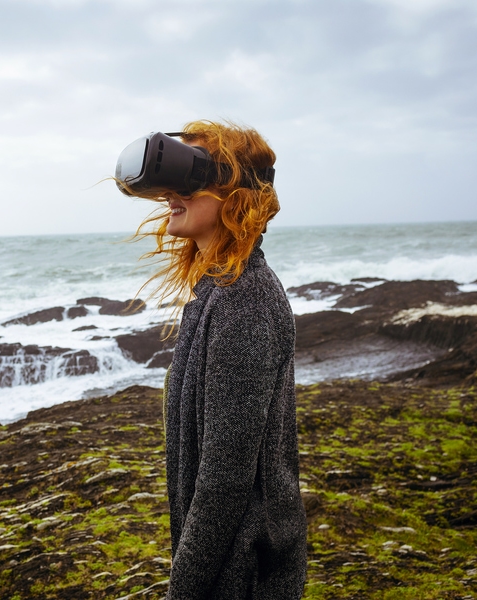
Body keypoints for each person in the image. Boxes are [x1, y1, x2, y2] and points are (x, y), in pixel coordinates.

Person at [118, 120, 307, 599]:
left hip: (246, 572)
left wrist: (182, 591)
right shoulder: (220, 291)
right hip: (233, 565)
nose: (170, 195)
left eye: (193, 176)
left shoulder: (243, 300)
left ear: (237, 195)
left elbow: (225, 479)